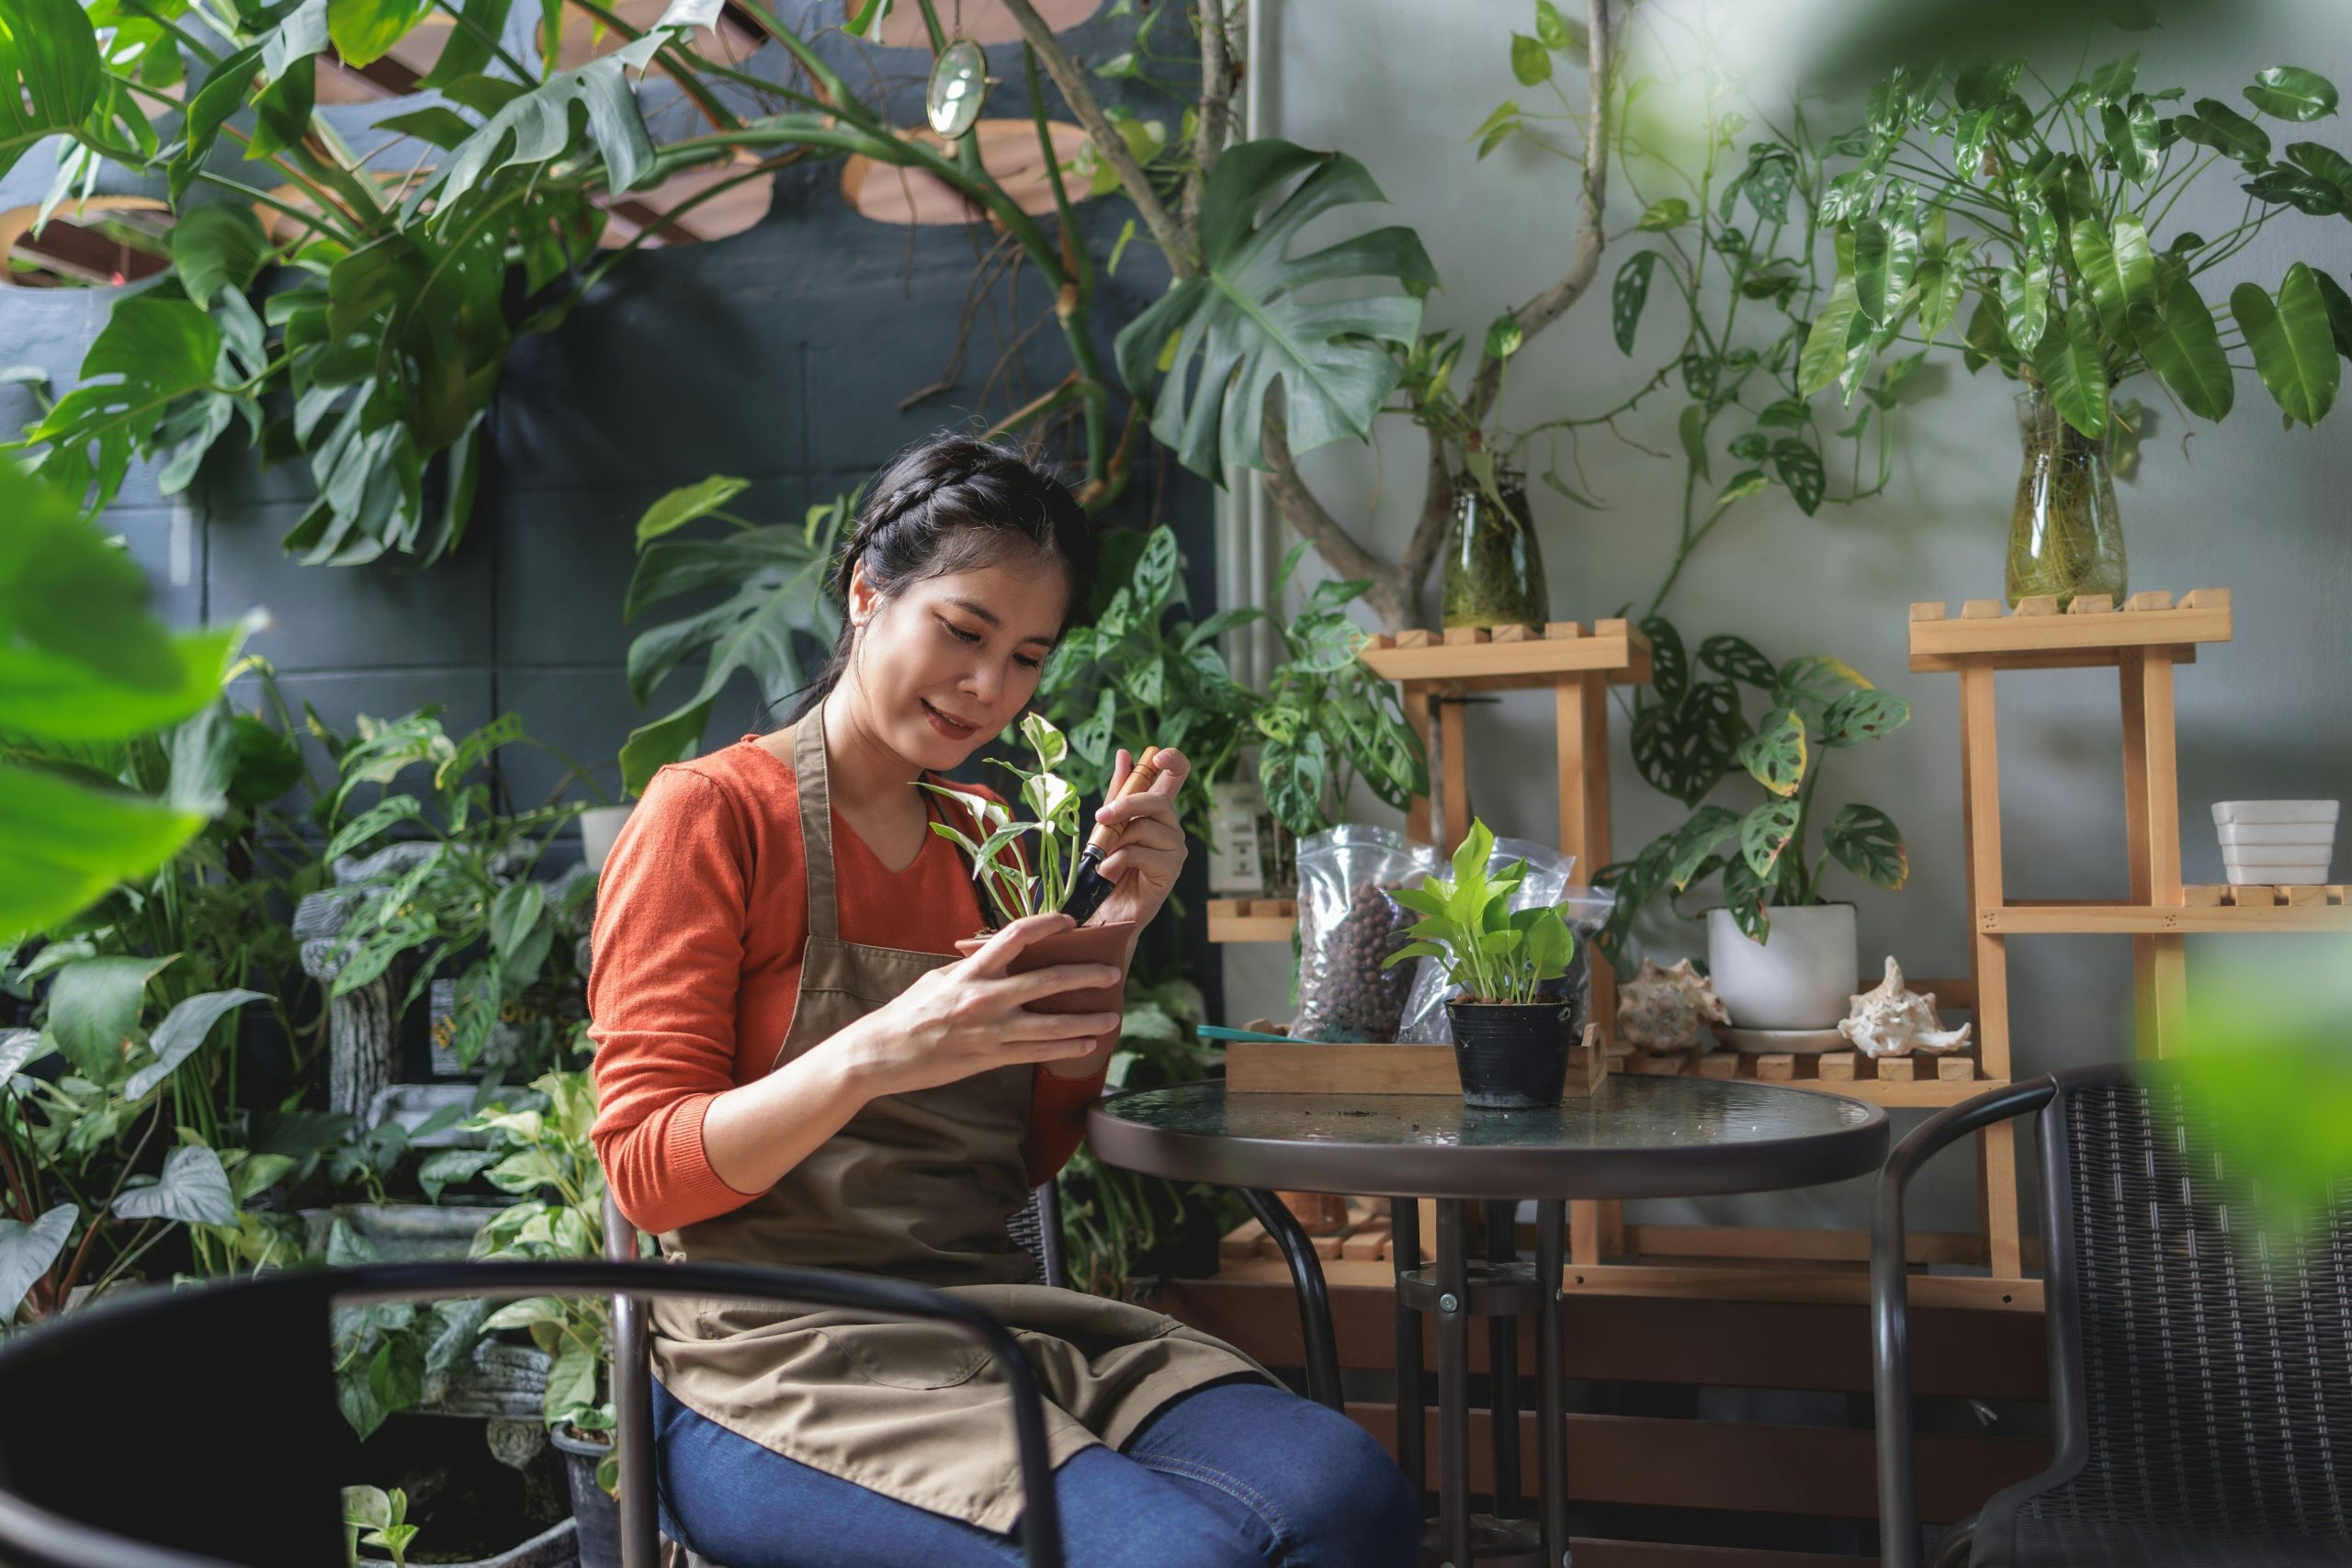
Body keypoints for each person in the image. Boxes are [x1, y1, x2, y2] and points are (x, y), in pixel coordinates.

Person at [588, 434, 1421, 1568]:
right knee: (1184, 1559)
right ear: (866, 593)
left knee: (1348, 1500)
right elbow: (644, 1166)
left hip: (993, 1321)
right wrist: (878, 1050)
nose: (990, 688)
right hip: (773, 1359)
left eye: (1027, 657)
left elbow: (1025, 1151)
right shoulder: (711, 816)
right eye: (963, 633)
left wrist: (1115, 930)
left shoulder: (992, 838)